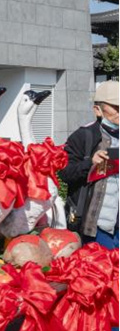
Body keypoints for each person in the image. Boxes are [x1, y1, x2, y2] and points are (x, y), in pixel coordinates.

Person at [59, 80, 119, 250]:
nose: (119, 112)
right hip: (94, 226)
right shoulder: (84, 136)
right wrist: (90, 163)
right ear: (97, 110)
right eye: (116, 107)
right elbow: (65, 173)